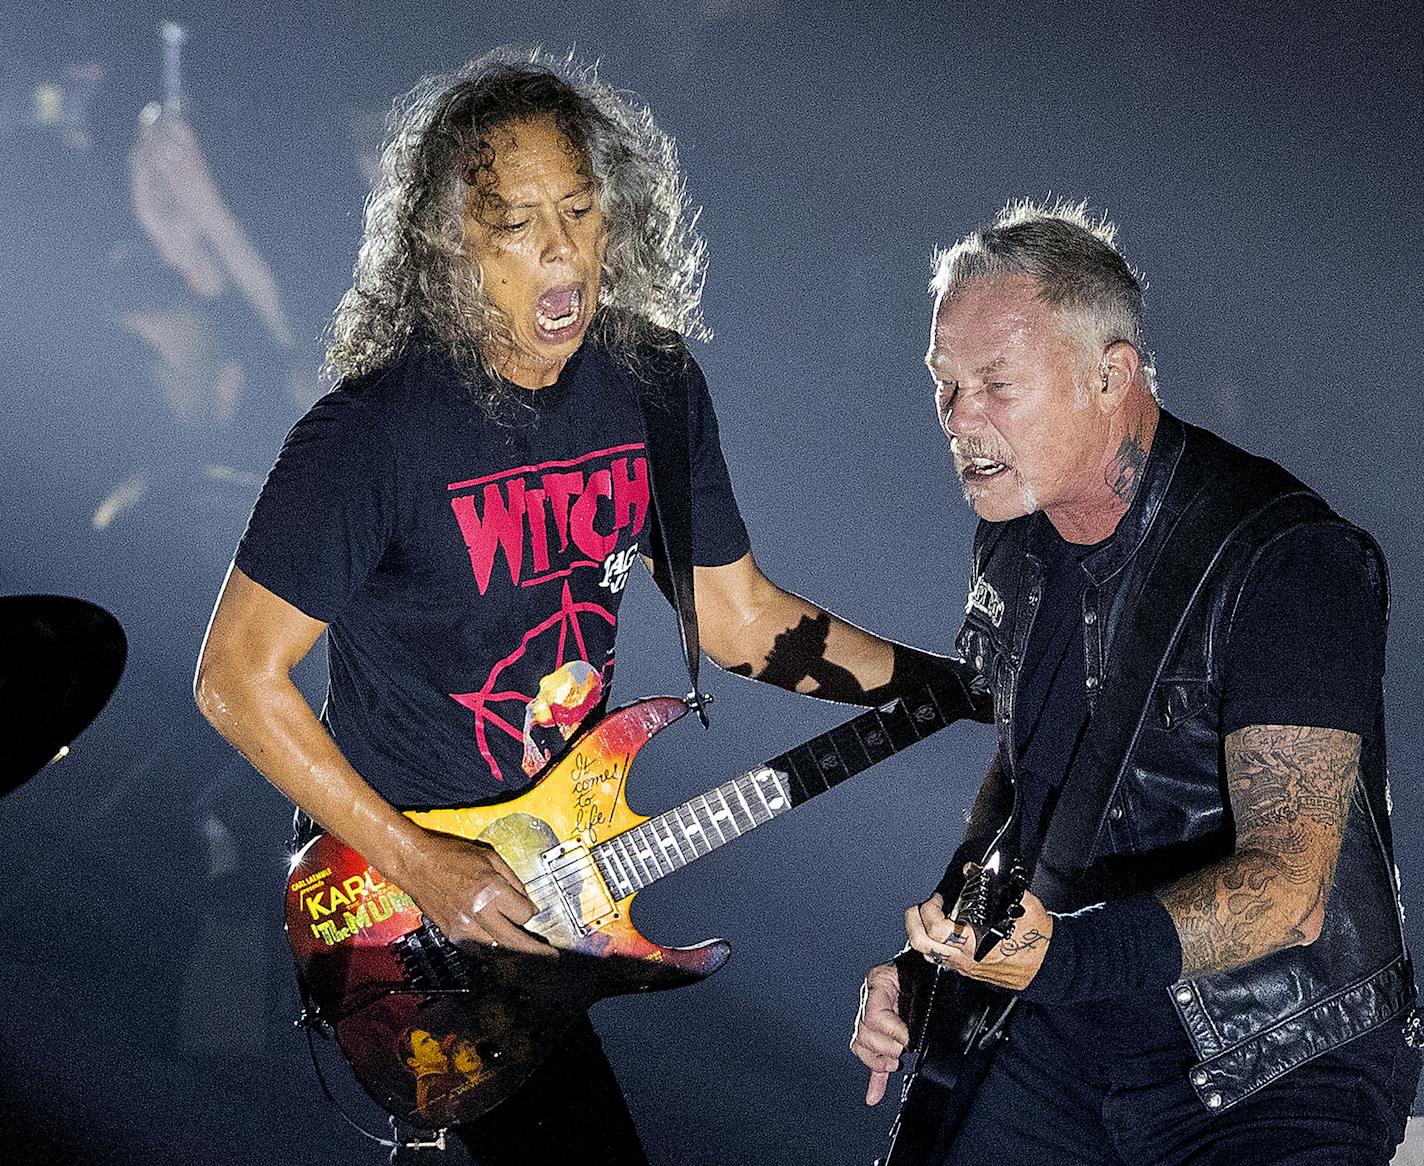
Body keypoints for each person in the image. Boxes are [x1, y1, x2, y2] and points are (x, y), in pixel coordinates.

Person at [194, 48, 983, 1165]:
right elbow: (233, 675)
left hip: (576, 861)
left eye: (578, 209)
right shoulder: (372, 433)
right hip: (414, 913)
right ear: (451, 246)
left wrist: (949, 687)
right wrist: (425, 864)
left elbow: (737, 621)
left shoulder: (651, 386)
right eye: (516, 222)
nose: (561, 248)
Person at [850, 200, 1421, 1164]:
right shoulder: (1016, 536)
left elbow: (1292, 890)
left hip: (1266, 1060)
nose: (962, 421)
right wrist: (938, 961)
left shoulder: (1287, 561)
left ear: (1110, 375)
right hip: (1068, 1035)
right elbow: (1028, 788)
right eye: (945, 387)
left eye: (997, 385)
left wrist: (1060, 956)